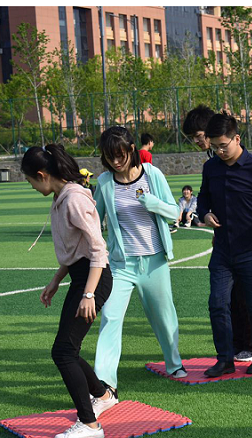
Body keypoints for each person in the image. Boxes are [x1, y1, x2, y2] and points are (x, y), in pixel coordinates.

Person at [21, 144, 115, 438]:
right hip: (81, 276)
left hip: (94, 279)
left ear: (42, 175)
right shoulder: (61, 197)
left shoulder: (74, 199)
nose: (32, 187)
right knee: (67, 349)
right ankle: (103, 396)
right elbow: (75, 250)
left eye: (30, 181)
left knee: (63, 351)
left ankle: (89, 424)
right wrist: (56, 280)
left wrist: (89, 295)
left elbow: (98, 250)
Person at [92, 126, 187, 391]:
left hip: (154, 262)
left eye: (120, 155)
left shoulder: (152, 175)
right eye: (110, 157)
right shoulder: (105, 182)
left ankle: (174, 363)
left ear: (131, 149)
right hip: (121, 265)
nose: (116, 161)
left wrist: (151, 203)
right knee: (110, 317)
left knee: (164, 316)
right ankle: (104, 381)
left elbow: (174, 213)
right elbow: (94, 220)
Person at [197, 113, 252, 377]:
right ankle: (225, 359)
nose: (219, 151)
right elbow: (203, 199)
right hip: (222, 250)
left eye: (223, 145)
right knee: (217, 304)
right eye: (215, 147)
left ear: (237, 138)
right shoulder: (211, 168)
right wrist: (205, 214)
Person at [184, 105, 252, 363]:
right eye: (193, 137)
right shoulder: (212, 160)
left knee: (245, 293)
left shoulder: (234, 154)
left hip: (247, 234)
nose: (196, 141)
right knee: (227, 295)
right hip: (225, 234)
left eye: (198, 135)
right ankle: (237, 344)